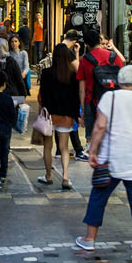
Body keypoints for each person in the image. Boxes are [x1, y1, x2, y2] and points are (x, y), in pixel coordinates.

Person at [75, 64, 132, 255]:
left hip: (112, 158)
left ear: (119, 81)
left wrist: (93, 150)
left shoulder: (110, 97)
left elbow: (100, 127)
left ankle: (89, 239)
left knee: (98, 197)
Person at [38, 43, 80, 190]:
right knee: (64, 148)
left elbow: (42, 96)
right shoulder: (72, 75)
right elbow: (76, 98)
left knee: (48, 147)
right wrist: (76, 116)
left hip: (50, 115)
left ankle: (48, 176)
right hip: (66, 116)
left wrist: (40, 111)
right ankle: (65, 177)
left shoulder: (47, 73)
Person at [76, 30, 125, 142]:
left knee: (91, 138)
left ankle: (94, 155)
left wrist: (83, 110)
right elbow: (122, 77)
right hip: (113, 100)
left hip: (92, 101)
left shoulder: (85, 60)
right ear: (100, 40)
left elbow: (81, 89)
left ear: (87, 45)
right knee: (111, 135)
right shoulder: (113, 56)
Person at [54, 32, 87, 162]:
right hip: (68, 88)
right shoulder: (68, 52)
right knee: (72, 119)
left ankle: (58, 150)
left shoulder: (57, 49)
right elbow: (78, 69)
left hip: (57, 87)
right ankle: (78, 150)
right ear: (74, 41)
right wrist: (76, 53)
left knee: (60, 120)